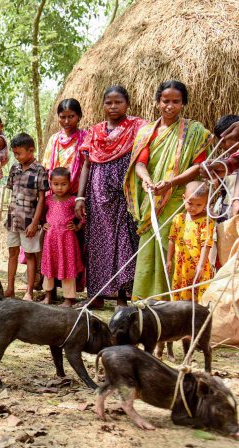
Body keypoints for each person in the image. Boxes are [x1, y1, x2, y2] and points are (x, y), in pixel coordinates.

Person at [124, 80, 212, 300]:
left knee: (173, 248)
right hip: (152, 198)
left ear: (183, 104)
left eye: (176, 101)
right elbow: (140, 163)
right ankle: (146, 300)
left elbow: (198, 165)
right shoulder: (146, 132)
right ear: (157, 102)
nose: (170, 106)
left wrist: (171, 183)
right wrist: (146, 179)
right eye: (165, 101)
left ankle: (173, 300)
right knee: (148, 248)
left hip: (178, 199)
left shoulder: (195, 132)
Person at [75, 86, 146, 309]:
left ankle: (122, 296)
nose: (113, 107)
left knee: (124, 240)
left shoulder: (138, 127)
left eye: (118, 102)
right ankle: (95, 295)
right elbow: (87, 164)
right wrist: (80, 197)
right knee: (97, 242)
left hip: (126, 193)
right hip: (97, 196)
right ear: (102, 104)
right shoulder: (94, 131)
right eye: (108, 102)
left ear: (127, 104)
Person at [4, 133, 48, 301]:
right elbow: (12, 193)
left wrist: (35, 222)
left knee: (30, 255)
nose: (17, 157)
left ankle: (29, 291)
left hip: (29, 221)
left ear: (31, 150)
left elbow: (42, 199)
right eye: (14, 154)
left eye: (19, 153)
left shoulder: (39, 170)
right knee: (12, 252)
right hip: (13, 220)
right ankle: (9, 288)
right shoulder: (14, 168)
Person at [41, 167, 83, 307]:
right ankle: (48, 296)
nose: (59, 187)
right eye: (56, 184)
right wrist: (43, 224)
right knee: (49, 267)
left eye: (63, 184)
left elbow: (84, 216)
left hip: (67, 240)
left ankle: (68, 299)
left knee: (68, 267)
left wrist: (77, 227)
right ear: (50, 183)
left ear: (69, 183)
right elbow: (40, 213)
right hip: (51, 239)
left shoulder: (73, 200)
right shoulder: (47, 200)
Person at [166, 181, 214, 301]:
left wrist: (201, 266)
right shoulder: (178, 219)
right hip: (181, 267)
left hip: (197, 267)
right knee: (180, 297)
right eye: (190, 203)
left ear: (206, 204)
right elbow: (171, 240)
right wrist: (168, 260)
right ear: (184, 198)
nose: (193, 208)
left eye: (199, 205)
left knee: (198, 297)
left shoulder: (206, 222)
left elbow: (206, 245)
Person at [43, 99, 86, 194]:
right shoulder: (54, 140)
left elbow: (88, 167)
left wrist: (81, 196)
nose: (66, 121)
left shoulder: (85, 138)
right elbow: (46, 168)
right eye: (62, 117)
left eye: (71, 116)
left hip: (78, 193)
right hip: (55, 193)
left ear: (79, 116)